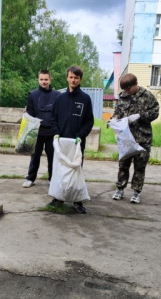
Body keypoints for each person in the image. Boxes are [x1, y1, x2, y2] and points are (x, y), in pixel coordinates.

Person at [49, 65, 95, 214]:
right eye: (71, 77)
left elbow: (89, 121)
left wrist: (80, 135)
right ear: (67, 78)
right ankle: (58, 198)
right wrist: (56, 133)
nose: (73, 80)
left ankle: (77, 200)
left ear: (80, 79)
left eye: (76, 77)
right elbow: (53, 118)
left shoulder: (85, 99)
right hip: (61, 143)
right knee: (59, 170)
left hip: (76, 143)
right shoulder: (60, 98)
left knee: (75, 171)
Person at [111, 73, 159, 204]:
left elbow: (155, 112)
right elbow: (118, 111)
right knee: (123, 166)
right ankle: (120, 189)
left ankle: (137, 192)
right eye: (124, 89)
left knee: (139, 167)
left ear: (135, 84)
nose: (127, 92)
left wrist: (140, 116)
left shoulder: (147, 96)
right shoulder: (123, 97)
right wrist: (114, 119)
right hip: (126, 138)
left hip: (142, 138)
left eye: (128, 89)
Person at [22, 70, 61, 188]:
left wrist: (57, 131)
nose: (44, 82)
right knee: (34, 156)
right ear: (38, 80)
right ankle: (31, 178)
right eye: (41, 79)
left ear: (50, 80)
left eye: (46, 79)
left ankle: (52, 179)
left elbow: (58, 114)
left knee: (52, 157)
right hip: (37, 132)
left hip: (51, 132)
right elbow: (30, 113)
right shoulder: (32, 95)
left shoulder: (57, 95)